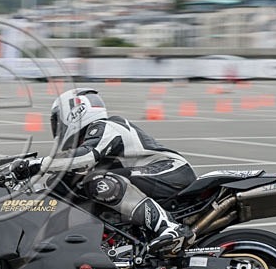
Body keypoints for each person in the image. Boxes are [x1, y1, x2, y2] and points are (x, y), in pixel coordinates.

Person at [11, 88, 197, 254]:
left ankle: (170, 228)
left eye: (57, 122)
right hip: (152, 175)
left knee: (98, 181)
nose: (56, 128)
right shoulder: (92, 137)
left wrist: (36, 165)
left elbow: (86, 156)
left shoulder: (106, 126)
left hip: (170, 170)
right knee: (76, 183)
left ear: (74, 112)